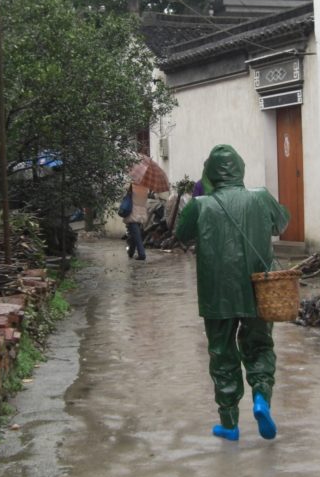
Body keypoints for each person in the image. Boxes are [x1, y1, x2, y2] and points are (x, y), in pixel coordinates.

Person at [174, 145, 290, 441]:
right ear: (240, 169)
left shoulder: (200, 205)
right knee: (260, 345)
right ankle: (261, 398)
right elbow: (283, 223)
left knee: (222, 353)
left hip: (217, 294)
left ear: (211, 173)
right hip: (258, 290)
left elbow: (181, 235)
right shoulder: (261, 198)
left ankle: (229, 423)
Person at [123, 182, 149, 260]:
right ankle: (131, 252)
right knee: (134, 235)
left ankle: (142, 254)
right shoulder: (145, 189)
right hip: (140, 215)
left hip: (133, 215)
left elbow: (126, 189)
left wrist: (130, 185)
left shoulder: (132, 187)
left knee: (137, 236)